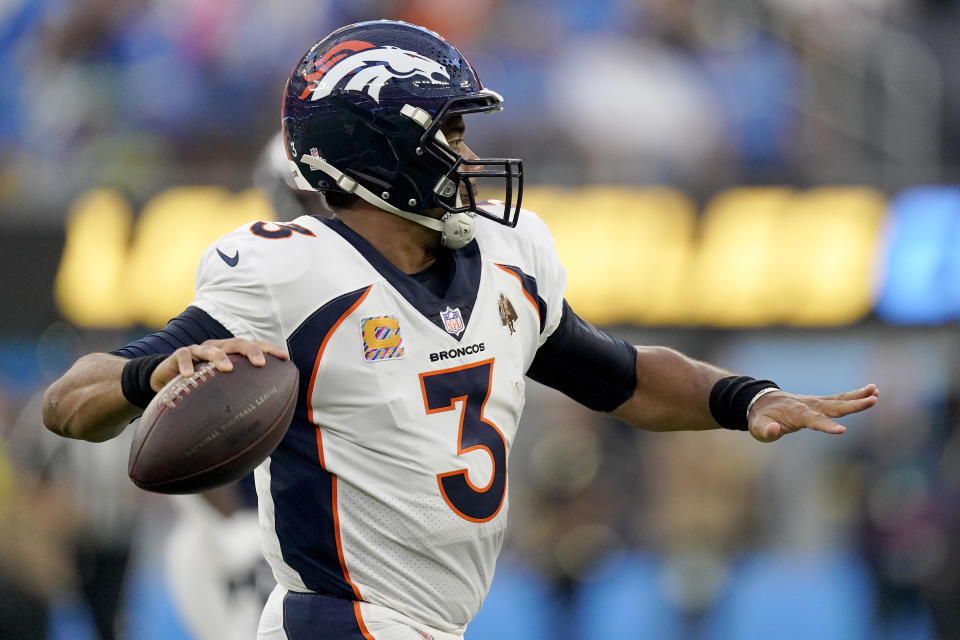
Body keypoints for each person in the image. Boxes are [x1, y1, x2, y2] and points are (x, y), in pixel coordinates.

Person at [42, 20, 879, 640]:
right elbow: (68, 404)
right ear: (374, 151)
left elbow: (620, 375)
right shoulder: (288, 273)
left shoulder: (508, 256)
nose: (466, 153)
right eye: (445, 130)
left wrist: (745, 398)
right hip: (343, 617)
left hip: (436, 622)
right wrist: (146, 376)